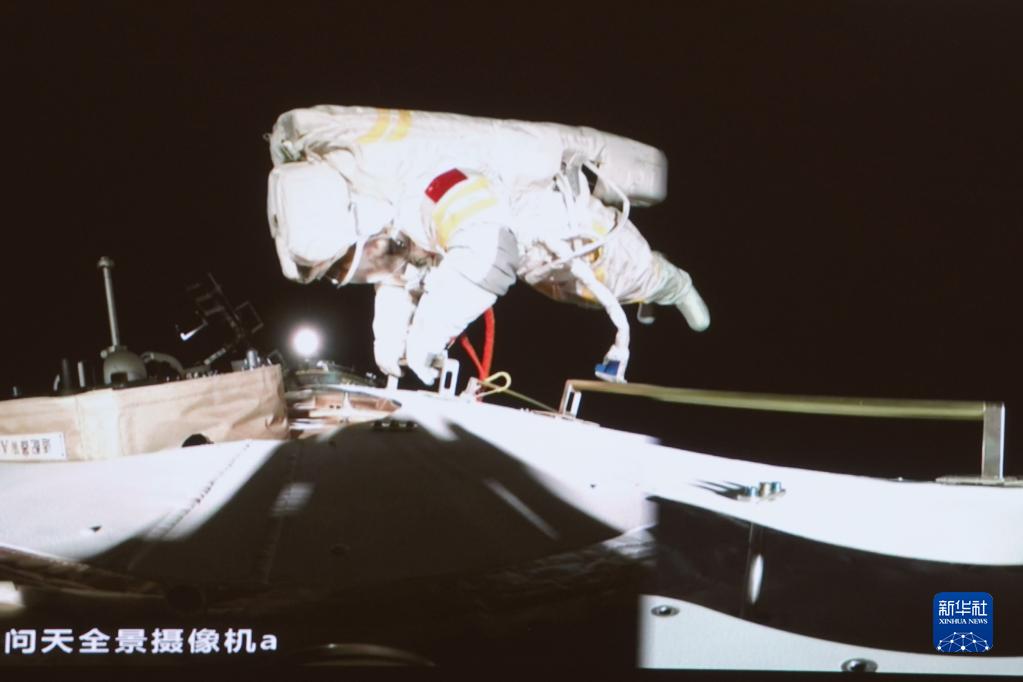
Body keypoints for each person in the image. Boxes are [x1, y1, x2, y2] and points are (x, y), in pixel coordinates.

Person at [267, 106, 709, 384]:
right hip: (535, 259)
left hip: (569, 228)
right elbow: (403, 276)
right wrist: (391, 343)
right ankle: (654, 292)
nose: (355, 274)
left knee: (631, 274)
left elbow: (488, 251)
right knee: (579, 295)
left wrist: (427, 337)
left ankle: (675, 285)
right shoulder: (390, 213)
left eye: (346, 262)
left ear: (360, 224)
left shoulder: (436, 187)